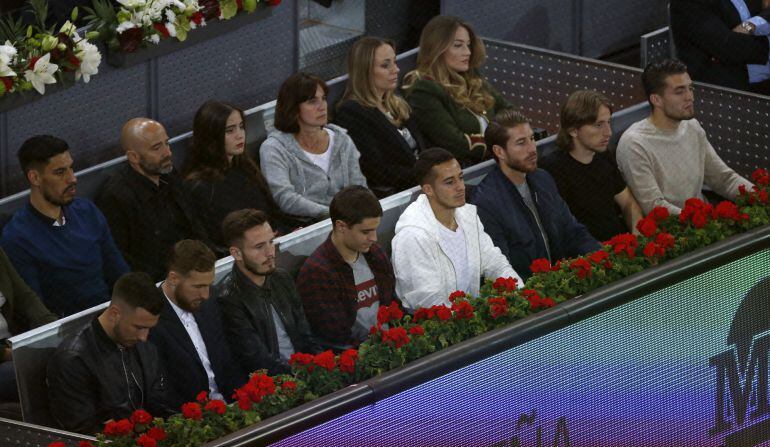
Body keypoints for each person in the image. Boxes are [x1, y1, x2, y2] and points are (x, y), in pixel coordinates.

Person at [0, 135, 129, 317]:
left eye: (71, 168)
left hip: (115, 315)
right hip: (70, 330)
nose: (72, 179)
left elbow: (119, 272)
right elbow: (35, 309)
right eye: (60, 172)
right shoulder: (17, 237)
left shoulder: (87, 211)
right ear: (35, 178)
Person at [470, 110, 599, 281]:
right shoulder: (485, 202)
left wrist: (602, 258)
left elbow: (572, 231)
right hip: (532, 293)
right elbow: (501, 269)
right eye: (521, 143)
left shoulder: (542, 179)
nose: (532, 149)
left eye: (531, 139)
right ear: (499, 151)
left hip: (564, 281)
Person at [391, 148, 522, 311]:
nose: (461, 187)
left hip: (471, 319)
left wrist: (521, 294)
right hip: (439, 330)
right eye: (449, 182)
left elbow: (494, 262)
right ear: (428, 189)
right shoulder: (413, 236)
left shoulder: (468, 216)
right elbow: (427, 302)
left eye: (460, 178)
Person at [616, 60, 753, 215]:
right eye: (679, 91)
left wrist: (760, 197)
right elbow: (654, 207)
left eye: (690, 88)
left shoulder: (692, 127)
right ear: (656, 100)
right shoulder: (635, 143)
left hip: (705, 219)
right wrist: (706, 221)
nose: (690, 97)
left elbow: (724, 179)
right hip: (677, 231)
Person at [47, 272, 172, 434]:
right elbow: (83, 431)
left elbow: (159, 404)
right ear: (114, 314)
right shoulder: (74, 359)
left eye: (149, 328)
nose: (144, 337)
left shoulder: (143, 345)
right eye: (139, 327)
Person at [96, 118, 211, 281]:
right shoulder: (116, 197)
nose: (168, 153)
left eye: (167, 143)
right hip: (159, 283)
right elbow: (123, 260)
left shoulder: (169, 175)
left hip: (196, 268)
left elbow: (194, 222)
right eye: (157, 148)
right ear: (134, 157)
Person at [216, 209, 322, 376]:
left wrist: (319, 366)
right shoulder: (228, 297)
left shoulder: (281, 278)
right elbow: (255, 359)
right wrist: (301, 373)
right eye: (259, 247)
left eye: (271, 242)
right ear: (236, 253)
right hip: (273, 385)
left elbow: (306, 334)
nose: (270, 252)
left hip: (304, 372)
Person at [403, 15, 514, 167]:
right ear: (438, 48)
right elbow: (455, 143)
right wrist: (503, 143)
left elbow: (508, 111)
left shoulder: (471, 76)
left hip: (497, 160)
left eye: (468, 45)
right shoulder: (423, 89)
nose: (467, 52)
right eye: (458, 45)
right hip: (466, 170)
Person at [183, 100, 295, 245]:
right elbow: (215, 240)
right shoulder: (199, 187)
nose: (239, 135)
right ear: (211, 136)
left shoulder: (244, 167)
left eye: (241, 127)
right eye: (230, 130)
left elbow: (272, 212)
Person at [297, 186, 397, 347]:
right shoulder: (316, 272)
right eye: (366, 232)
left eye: (375, 230)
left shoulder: (375, 253)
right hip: (358, 358)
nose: (374, 238)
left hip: (390, 345)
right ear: (341, 226)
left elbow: (392, 302)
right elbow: (334, 337)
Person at [149, 239, 245, 410]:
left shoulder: (211, 301)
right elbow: (163, 392)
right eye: (198, 286)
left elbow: (230, 359)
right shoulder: (150, 321)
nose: (206, 295)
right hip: (194, 420)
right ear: (173, 279)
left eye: (208, 285)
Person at [260, 73, 367, 221]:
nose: (322, 107)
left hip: (350, 221)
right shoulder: (274, 149)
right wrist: (332, 215)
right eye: (312, 101)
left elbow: (360, 186)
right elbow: (284, 198)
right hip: (308, 224)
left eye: (323, 99)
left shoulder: (342, 139)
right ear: (293, 108)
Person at [540, 90, 644, 242]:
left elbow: (627, 201)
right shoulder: (552, 169)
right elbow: (561, 230)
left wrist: (638, 235)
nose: (608, 132)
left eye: (608, 122)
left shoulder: (603, 155)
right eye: (598, 125)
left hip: (619, 246)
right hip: (588, 256)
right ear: (573, 130)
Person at [335, 37, 425, 198]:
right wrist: (427, 174)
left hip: (424, 185)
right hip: (400, 193)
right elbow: (375, 170)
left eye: (394, 62)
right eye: (386, 65)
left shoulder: (398, 105)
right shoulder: (351, 112)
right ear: (365, 71)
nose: (396, 69)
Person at [670, 0, 770, 95]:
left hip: (762, 79)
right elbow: (728, 47)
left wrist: (751, 25)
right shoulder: (688, 3)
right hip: (728, 94)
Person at [0, 247, 57, 404]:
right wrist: (10, 354)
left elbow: (25, 296)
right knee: (27, 373)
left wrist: (55, 327)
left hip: (11, 343)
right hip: (5, 354)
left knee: (71, 354)